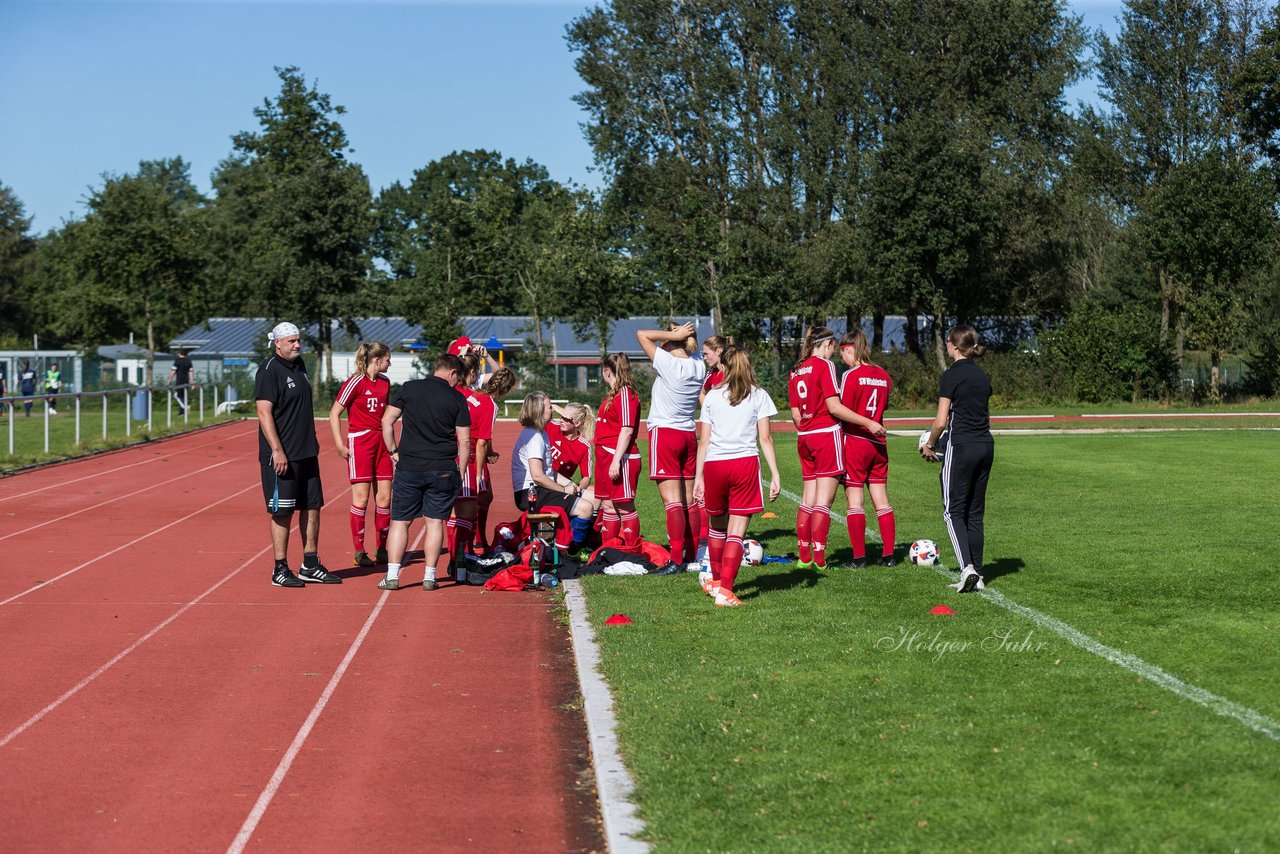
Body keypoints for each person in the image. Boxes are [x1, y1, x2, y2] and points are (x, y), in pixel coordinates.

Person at [788, 326, 885, 570]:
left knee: (807, 497)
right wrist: (868, 422)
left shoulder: (795, 369)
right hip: (825, 435)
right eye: (833, 347)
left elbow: (795, 413)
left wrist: (808, 427)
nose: (834, 353)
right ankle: (819, 559)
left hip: (805, 437)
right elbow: (834, 407)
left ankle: (804, 556)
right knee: (824, 501)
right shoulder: (825, 366)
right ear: (826, 345)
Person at [693, 346, 782, 607]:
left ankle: (717, 581)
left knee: (717, 528)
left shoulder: (711, 396)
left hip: (714, 466)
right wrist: (775, 474)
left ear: (724, 365)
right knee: (736, 531)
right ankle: (726, 592)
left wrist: (699, 477)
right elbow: (765, 438)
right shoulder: (759, 395)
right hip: (743, 464)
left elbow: (704, 441)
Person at [256, 322, 341, 588]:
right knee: (283, 512)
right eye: (292, 341)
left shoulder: (300, 365)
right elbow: (263, 412)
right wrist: (277, 451)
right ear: (277, 343)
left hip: (306, 453)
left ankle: (310, 564)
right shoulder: (269, 371)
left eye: (298, 340)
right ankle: (280, 569)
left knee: (312, 507)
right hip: (283, 457)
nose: (297, 345)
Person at [378, 353, 471, 591]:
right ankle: (430, 576)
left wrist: (393, 453)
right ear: (452, 373)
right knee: (435, 522)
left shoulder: (409, 388)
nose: (457, 382)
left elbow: (387, 421)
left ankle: (392, 576)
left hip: (409, 466)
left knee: (400, 521)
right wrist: (460, 472)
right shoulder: (457, 398)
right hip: (442, 468)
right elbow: (465, 441)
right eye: (457, 377)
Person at [920, 325, 994, 593]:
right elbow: (984, 417)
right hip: (986, 444)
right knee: (975, 513)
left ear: (952, 345)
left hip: (962, 445)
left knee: (952, 511)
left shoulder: (951, 375)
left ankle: (967, 569)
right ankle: (980, 573)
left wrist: (929, 444)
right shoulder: (982, 376)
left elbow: (941, 421)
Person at [637, 322, 706, 567]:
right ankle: (691, 555)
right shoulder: (698, 364)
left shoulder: (669, 363)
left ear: (670, 340)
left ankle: (675, 559)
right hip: (688, 434)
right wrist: (681, 336)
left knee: (673, 502)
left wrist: (673, 334)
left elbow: (642, 334)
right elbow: (692, 348)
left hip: (665, 433)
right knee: (690, 501)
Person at [328, 341, 393, 568]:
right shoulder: (355, 381)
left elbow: (387, 416)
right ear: (377, 360)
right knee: (362, 498)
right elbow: (334, 413)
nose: (390, 363)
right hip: (360, 442)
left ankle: (382, 548)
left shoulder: (385, 383)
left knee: (384, 498)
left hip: (382, 443)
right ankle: (359, 550)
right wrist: (339, 444)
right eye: (387, 359)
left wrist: (392, 447)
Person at [511, 392, 597, 555]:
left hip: (538, 489)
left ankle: (585, 543)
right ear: (540, 411)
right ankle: (570, 552)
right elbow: (537, 476)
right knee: (586, 508)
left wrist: (570, 484)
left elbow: (549, 472)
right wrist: (563, 490)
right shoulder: (535, 436)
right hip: (530, 493)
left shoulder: (540, 433)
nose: (554, 411)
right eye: (550, 407)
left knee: (595, 499)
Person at [836, 329, 895, 567]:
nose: (842, 358)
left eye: (842, 353)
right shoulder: (883, 375)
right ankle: (889, 555)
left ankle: (859, 558)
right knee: (882, 500)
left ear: (849, 349)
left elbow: (845, 411)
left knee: (855, 500)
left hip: (856, 439)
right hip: (878, 443)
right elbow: (883, 406)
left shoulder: (851, 375)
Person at [445, 353, 490, 568]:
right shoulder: (480, 400)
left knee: (449, 512)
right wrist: (479, 471)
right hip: (466, 459)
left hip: (440, 457)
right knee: (468, 510)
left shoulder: (446, 394)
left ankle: (455, 556)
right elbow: (480, 442)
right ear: (471, 373)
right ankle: (459, 557)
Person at [594, 353, 643, 547]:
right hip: (606, 456)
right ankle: (609, 549)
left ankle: (632, 549)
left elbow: (627, 430)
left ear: (607, 371)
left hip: (620, 458)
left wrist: (616, 460)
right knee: (608, 505)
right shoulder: (612, 394)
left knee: (624, 506)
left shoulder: (625, 393)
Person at [472, 367, 518, 552]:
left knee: (483, 497)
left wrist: (490, 450)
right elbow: (482, 441)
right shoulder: (490, 405)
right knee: (478, 497)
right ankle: (477, 541)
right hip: (473, 455)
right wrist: (478, 472)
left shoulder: (472, 394)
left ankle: (478, 539)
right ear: (505, 390)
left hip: (460, 448)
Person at [167, 348, 195, 414]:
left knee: (177, 395)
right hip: (186, 381)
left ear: (179, 353)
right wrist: (192, 383)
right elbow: (191, 373)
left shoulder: (177, 361)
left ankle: (185, 408)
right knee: (183, 396)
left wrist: (169, 380)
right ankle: (182, 412)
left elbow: (173, 372)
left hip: (179, 381)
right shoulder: (188, 361)